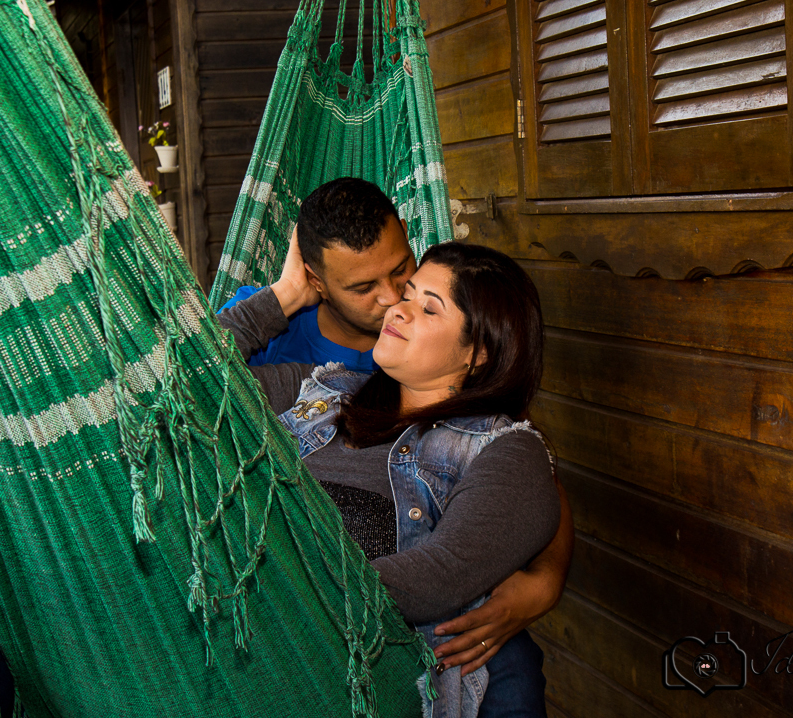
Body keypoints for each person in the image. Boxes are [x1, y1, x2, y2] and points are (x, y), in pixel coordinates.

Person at [222, 178, 573, 712]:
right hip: (271, 656)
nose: (393, 305)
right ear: (319, 281)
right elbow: (187, 381)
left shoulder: (498, 445)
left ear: (478, 353)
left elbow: (445, 570)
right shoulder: (324, 386)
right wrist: (285, 296)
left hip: (368, 669)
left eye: (422, 302)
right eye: (395, 296)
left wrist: (265, 582)